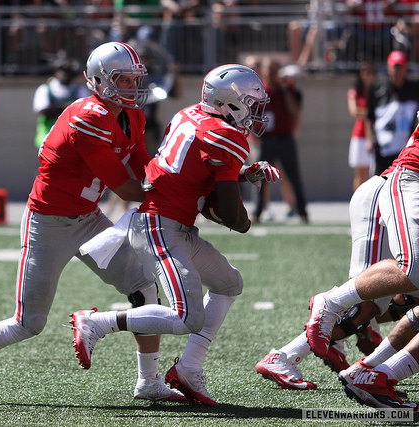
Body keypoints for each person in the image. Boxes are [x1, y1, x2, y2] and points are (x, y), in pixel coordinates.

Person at [0, 42, 186, 405]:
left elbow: (143, 169)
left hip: (89, 217)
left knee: (144, 286)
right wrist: (178, 199)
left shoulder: (133, 115)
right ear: (99, 82)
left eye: (133, 78)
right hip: (47, 223)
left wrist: (179, 184)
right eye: (122, 79)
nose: (131, 86)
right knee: (28, 323)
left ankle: (148, 380)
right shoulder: (88, 117)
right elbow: (123, 186)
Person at [69, 64, 281, 406]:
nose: (256, 113)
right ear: (230, 102)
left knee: (229, 283)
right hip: (159, 226)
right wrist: (244, 219)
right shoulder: (227, 137)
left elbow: (194, 172)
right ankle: (96, 323)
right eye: (251, 104)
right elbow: (228, 212)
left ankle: (188, 369)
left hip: (166, 221)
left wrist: (244, 172)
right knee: (187, 316)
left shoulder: (189, 115)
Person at [306, 124, 419, 402]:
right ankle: (328, 304)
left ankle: (373, 373)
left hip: (396, 184)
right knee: (407, 274)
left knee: (381, 301)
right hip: (407, 179)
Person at [252, 58, 308, 224]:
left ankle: (303, 212)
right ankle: (257, 212)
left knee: (293, 176)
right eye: (269, 70)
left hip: (284, 139)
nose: (271, 74)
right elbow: (252, 114)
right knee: (259, 177)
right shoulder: (260, 91)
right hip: (267, 140)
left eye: (274, 71)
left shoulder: (286, 90)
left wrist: (285, 91)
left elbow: (294, 110)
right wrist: (254, 135)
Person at [367, 50, 419, 175]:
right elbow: (369, 117)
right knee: (380, 182)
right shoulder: (378, 89)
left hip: (406, 150)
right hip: (383, 148)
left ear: (405, 68)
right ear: (389, 67)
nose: (397, 70)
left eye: (400, 67)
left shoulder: (414, 89)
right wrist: (369, 139)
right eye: (395, 66)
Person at [32, 52, 89, 149]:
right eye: (61, 70)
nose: (64, 74)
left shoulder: (80, 90)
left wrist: (58, 108)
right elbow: (44, 112)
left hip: (73, 139)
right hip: (47, 138)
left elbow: (85, 114)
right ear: (55, 71)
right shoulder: (44, 89)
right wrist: (71, 108)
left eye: (68, 70)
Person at [347, 61, 376, 192]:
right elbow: (354, 111)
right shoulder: (355, 92)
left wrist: (366, 112)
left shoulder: (376, 92)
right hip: (360, 135)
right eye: (365, 71)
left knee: (373, 174)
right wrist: (370, 112)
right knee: (360, 173)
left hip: (374, 136)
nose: (367, 74)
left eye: (370, 71)